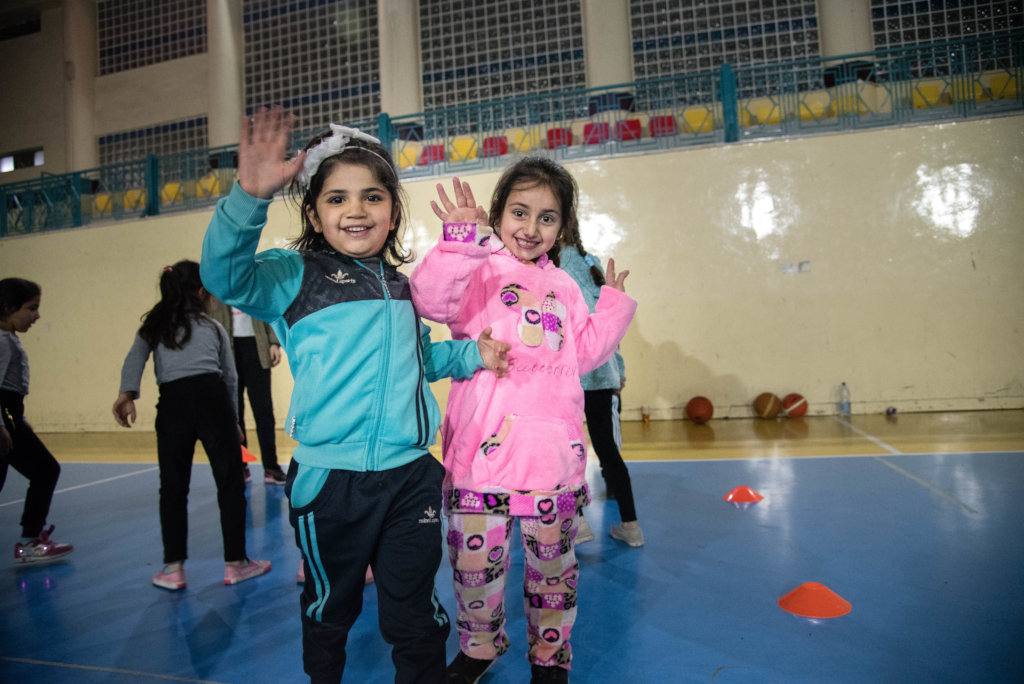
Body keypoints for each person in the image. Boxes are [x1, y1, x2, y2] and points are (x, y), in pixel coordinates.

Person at [199, 106, 510, 684]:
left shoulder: (402, 289)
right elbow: (224, 277)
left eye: (372, 196)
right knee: (329, 612)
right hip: (330, 484)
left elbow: (423, 360)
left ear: (393, 212)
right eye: (337, 199)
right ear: (315, 215)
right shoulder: (293, 276)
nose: (356, 210)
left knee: (417, 614)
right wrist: (249, 197)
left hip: (410, 477)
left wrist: (472, 354)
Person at [409, 161, 637, 684]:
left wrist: (613, 307)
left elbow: (587, 354)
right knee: (473, 574)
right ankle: (479, 648)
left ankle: (550, 659)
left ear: (564, 227)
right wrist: (459, 241)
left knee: (554, 574)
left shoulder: (565, 286)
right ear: (499, 213)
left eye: (547, 218)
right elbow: (429, 299)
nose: (531, 228)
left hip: (549, 462)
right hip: (480, 462)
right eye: (519, 212)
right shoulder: (477, 267)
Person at [112, 260, 271, 591]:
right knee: (229, 484)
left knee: (172, 487)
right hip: (212, 401)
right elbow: (229, 377)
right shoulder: (213, 327)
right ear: (202, 293)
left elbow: (134, 359)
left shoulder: (155, 326)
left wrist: (127, 395)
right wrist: (233, 421)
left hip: (173, 406)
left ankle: (173, 569)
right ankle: (236, 563)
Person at [557, 239, 644, 547]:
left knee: (566, 451)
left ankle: (578, 521)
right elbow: (612, 329)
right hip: (602, 371)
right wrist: (618, 368)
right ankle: (631, 526)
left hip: (570, 371)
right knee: (608, 450)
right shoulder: (590, 260)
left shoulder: (550, 265)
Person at [1, 278, 74, 564]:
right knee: (45, 470)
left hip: (10, 417)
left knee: (44, 471)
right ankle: (31, 541)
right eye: (31, 308)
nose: (37, 316)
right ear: (8, 307)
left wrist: (19, 420)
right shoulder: (2, 342)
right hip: (5, 418)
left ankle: (31, 538)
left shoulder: (8, 339)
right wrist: (3, 424)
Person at [207, 296, 286, 485]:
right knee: (234, 413)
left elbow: (270, 310)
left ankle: (271, 467)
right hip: (228, 349)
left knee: (264, 410)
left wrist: (274, 342)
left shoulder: (253, 282)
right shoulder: (217, 285)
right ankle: (240, 465)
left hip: (256, 347)